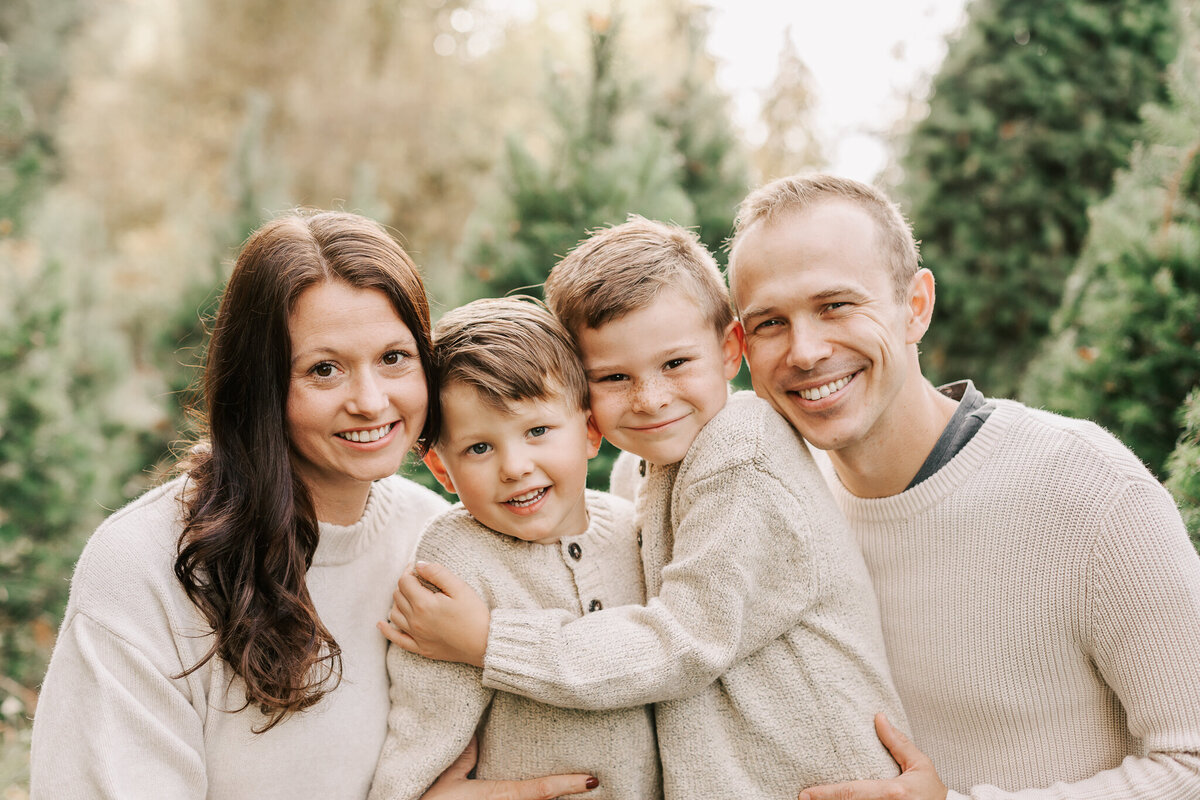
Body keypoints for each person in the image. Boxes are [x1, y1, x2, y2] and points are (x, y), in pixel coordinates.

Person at [29, 211, 597, 800]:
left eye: (394, 358)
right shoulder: (144, 569)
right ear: (262, 384)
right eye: (324, 370)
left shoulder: (437, 537)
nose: (372, 401)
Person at [385, 216, 908, 799]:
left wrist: (491, 642)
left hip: (825, 785)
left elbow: (684, 641)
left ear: (730, 349)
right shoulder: (650, 475)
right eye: (613, 376)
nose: (651, 398)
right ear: (585, 398)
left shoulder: (742, 451)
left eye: (676, 364)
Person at [726, 173, 1200, 800]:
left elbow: (1190, 764)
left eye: (836, 305)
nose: (806, 350)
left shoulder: (1088, 490)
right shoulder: (776, 512)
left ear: (915, 306)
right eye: (769, 323)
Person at [370, 297, 660, 800]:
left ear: (590, 431)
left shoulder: (628, 527)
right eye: (479, 448)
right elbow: (424, 722)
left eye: (537, 431)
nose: (515, 466)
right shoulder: (454, 558)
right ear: (443, 470)